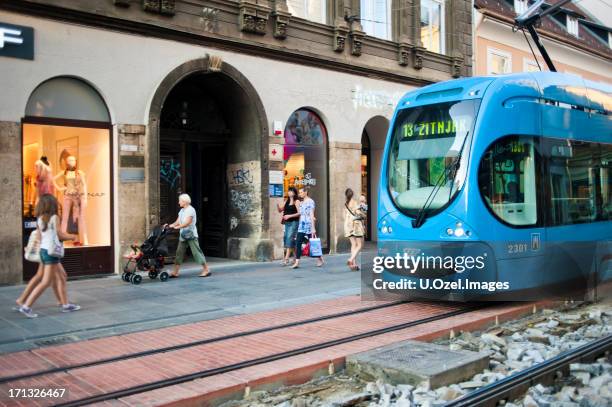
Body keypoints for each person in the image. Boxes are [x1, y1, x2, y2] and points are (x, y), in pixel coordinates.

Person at [19, 194, 80, 318]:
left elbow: (40, 237)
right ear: (53, 204)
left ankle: (65, 304)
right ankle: (26, 306)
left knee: (62, 276)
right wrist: (72, 236)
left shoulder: (40, 218)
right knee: (46, 281)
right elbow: (60, 235)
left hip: (44, 251)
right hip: (51, 253)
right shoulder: (54, 217)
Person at [167, 194, 210, 278]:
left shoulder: (191, 210)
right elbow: (177, 221)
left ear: (184, 201)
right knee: (179, 253)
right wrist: (170, 226)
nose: (179, 202)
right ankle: (175, 272)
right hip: (183, 235)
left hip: (191, 235)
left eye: (180, 201)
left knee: (196, 252)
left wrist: (177, 227)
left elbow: (188, 222)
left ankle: (206, 270)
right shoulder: (182, 210)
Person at [292, 187, 324, 269]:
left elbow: (311, 214)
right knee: (298, 242)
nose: (300, 194)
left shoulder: (310, 202)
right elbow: (301, 214)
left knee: (313, 243)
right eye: (299, 192)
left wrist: (313, 228)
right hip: (301, 225)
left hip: (309, 224)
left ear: (306, 192)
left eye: (301, 192)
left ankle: (320, 258)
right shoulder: (302, 202)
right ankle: (297, 262)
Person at [344, 189, 367, 271]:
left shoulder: (346, 203)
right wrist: (363, 214)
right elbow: (358, 212)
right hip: (355, 225)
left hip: (348, 225)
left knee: (353, 244)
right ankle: (351, 259)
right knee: (360, 245)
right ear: (352, 194)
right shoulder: (354, 202)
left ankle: (353, 264)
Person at [277, 187, 300, 266]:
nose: (289, 192)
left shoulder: (297, 201)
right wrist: (278, 206)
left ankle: (286, 259)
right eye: (288, 191)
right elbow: (280, 210)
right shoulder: (286, 201)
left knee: (289, 238)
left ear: (294, 192)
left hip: (294, 222)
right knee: (287, 238)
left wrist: (289, 216)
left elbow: (299, 213)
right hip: (287, 223)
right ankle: (295, 257)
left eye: (290, 191)